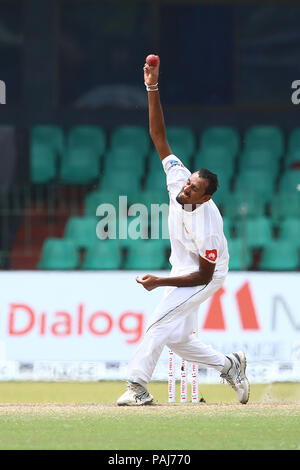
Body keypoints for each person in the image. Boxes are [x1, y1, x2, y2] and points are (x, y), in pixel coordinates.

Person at [117, 55, 249, 406]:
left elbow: (204, 276)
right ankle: (229, 365)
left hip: (206, 275)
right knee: (176, 337)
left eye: (193, 189)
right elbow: (158, 134)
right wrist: (152, 86)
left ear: (205, 198)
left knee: (159, 322)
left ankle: (137, 387)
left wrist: (160, 282)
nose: (185, 189)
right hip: (182, 268)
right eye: (188, 182)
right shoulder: (178, 176)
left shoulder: (208, 227)